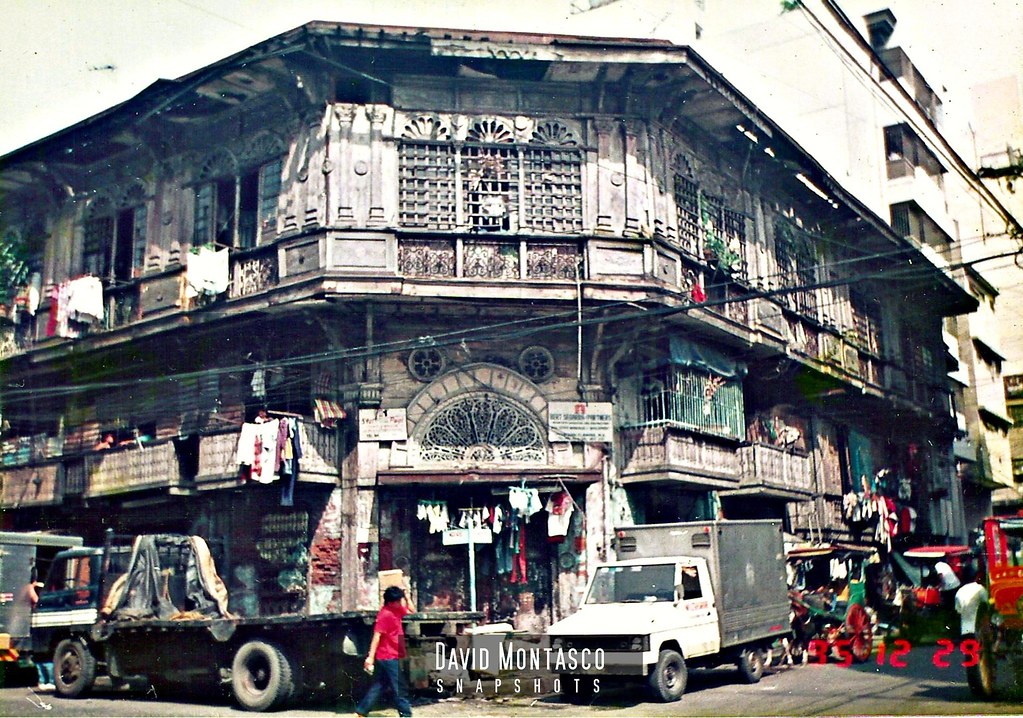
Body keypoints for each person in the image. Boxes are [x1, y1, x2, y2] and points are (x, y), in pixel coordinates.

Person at [356, 586, 412, 718]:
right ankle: (406, 714)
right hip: (387, 656)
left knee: (380, 685)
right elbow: (377, 636)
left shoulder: (397, 610)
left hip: (392, 654)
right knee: (399, 686)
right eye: (398, 601)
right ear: (390, 602)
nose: (400, 603)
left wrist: (407, 597)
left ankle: (361, 711)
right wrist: (370, 657)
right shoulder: (385, 615)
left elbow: (411, 611)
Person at [24, 580, 55, 690]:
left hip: (39, 625)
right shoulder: (50, 596)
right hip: (43, 626)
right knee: (44, 657)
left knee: (41, 657)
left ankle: (45, 681)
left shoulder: (41, 600)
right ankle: (48, 681)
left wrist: (31, 587)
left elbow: (35, 599)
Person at [954, 565, 988, 637]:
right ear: (976, 577)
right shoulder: (980, 588)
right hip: (977, 629)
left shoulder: (959, 591)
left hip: (964, 630)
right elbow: (987, 602)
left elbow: (958, 610)